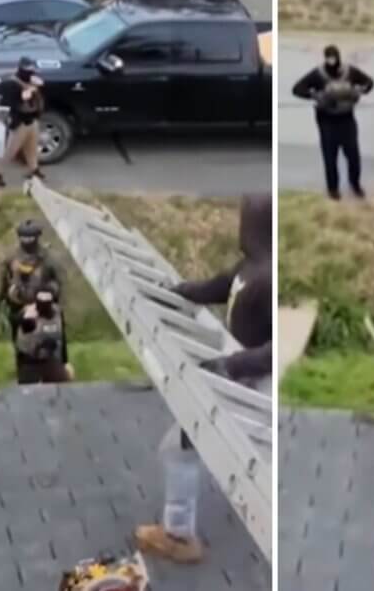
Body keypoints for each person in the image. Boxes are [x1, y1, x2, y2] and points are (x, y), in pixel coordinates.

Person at [136, 193, 272, 564]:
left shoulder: (268, 279)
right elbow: (214, 287)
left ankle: (179, 536)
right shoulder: (248, 269)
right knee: (210, 446)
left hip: (252, 383)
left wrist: (233, 366)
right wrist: (175, 292)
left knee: (180, 447)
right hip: (238, 376)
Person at [292, 45, 374, 200]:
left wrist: (359, 91)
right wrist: (315, 95)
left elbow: (369, 82)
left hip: (347, 119)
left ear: (339, 57)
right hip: (326, 121)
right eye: (329, 57)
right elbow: (297, 89)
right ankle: (333, 189)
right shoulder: (318, 74)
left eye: (334, 57)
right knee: (330, 157)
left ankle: (355, 184)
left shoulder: (350, 72)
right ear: (325, 58)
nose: (332, 61)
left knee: (353, 155)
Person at [0, 220, 64, 365]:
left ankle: (58, 363)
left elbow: (58, 282)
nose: (27, 240)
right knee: (20, 338)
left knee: (54, 334)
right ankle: (22, 362)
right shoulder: (11, 257)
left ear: (37, 236)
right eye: (24, 237)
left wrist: (50, 293)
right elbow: (4, 281)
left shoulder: (48, 257)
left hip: (44, 305)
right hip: (18, 306)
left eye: (30, 237)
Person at [0, 56, 45, 185]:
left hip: (32, 121)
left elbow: (37, 99)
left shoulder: (32, 81)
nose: (30, 73)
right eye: (27, 70)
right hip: (20, 123)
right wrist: (25, 93)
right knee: (10, 151)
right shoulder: (11, 84)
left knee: (32, 149)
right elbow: (14, 104)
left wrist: (34, 88)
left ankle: (34, 170)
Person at [13, 290, 74, 384]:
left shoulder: (57, 312)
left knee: (62, 385)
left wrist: (65, 362)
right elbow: (18, 336)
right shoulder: (28, 314)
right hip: (30, 361)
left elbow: (62, 338)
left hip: (51, 359)